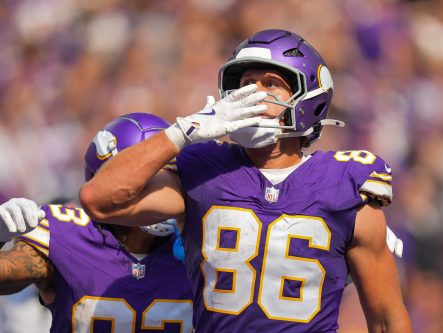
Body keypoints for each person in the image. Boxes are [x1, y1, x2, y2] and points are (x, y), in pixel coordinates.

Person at [80, 29, 412, 332]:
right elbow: (101, 199)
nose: (253, 95)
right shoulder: (205, 169)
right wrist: (182, 132)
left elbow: (386, 319)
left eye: (270, 83)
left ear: (308, 97)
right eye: (245, 84)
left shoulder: (344, 184)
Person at [0, 113, 193, 332]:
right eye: (149, 182)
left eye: (170, 179)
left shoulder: (199, 242)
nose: (163, 192)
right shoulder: (67, 234)